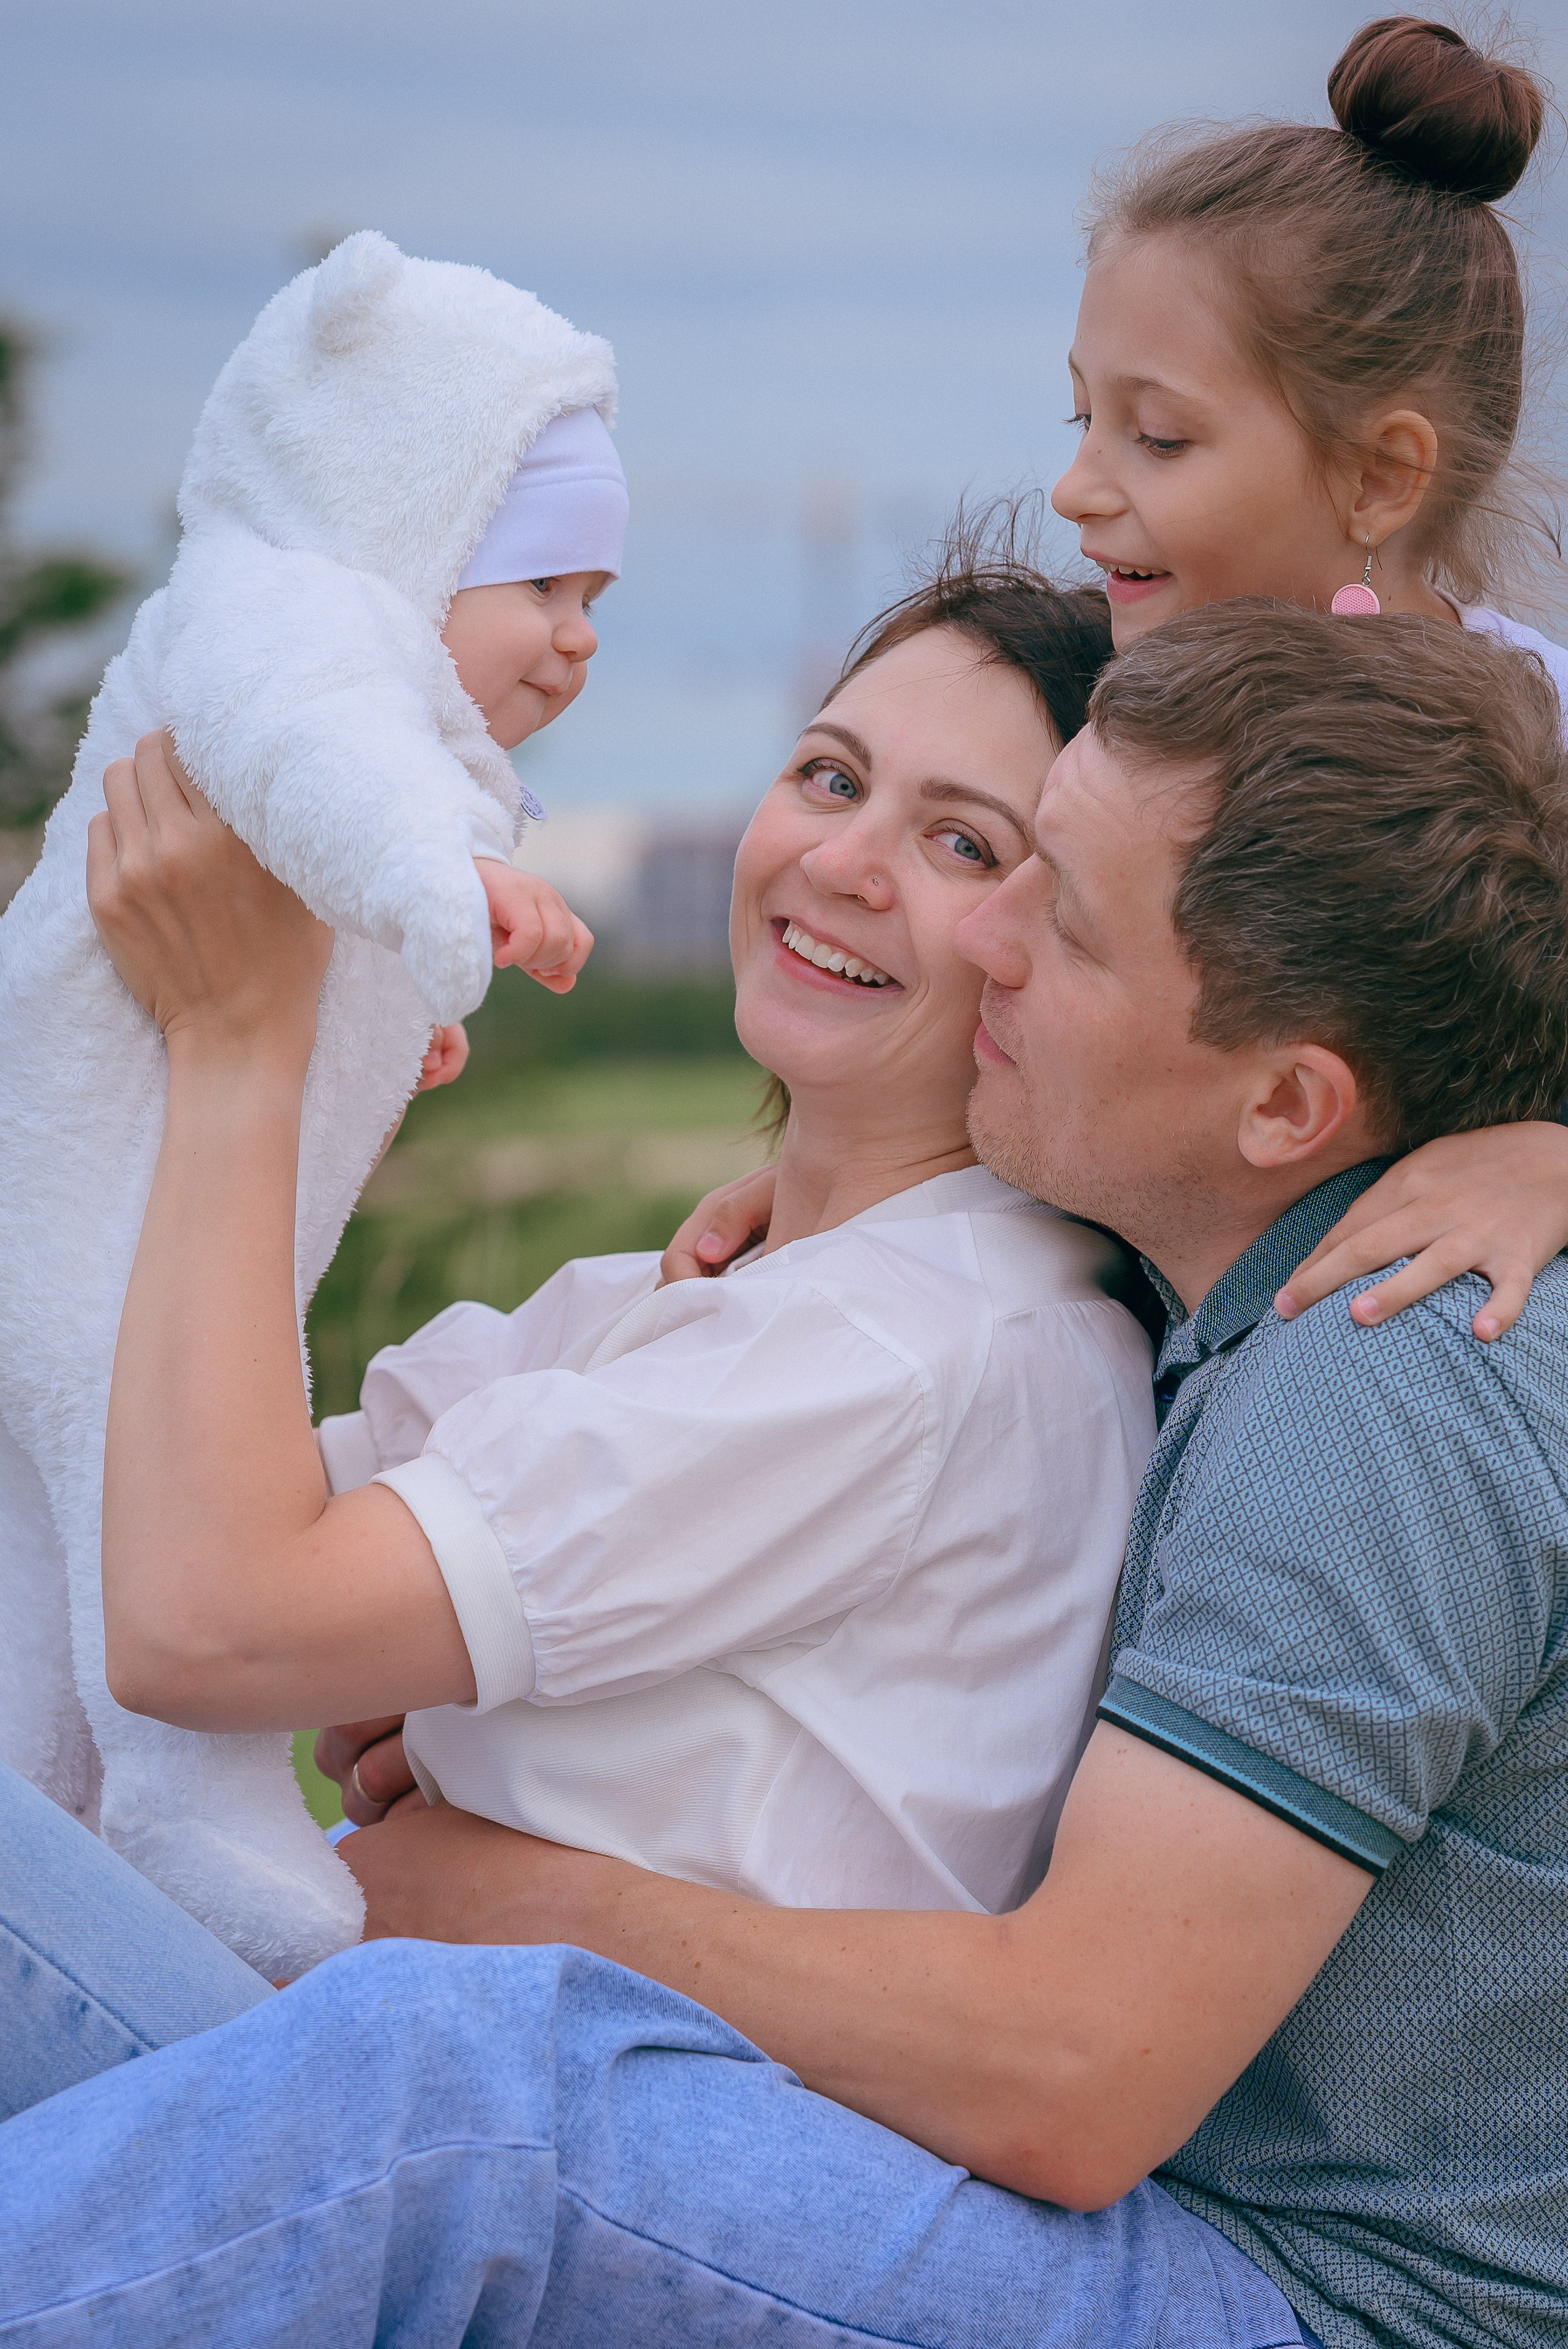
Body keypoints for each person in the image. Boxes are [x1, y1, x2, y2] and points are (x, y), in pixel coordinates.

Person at [5, 598, 1567, 2349]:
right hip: (1134, 2234)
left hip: (1308, 2308)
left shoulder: (1371, 1379)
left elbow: (1077, 2070)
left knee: (459, 2086)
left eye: (1049, 903)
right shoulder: (1213, 1300)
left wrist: (511, 1901)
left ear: (1288, 1108)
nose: (992, 933)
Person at [85, 554, 1156, 1925]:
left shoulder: (899, 1345)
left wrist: (241, 1043)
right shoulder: (717, 1296)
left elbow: (200, 1621)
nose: (839, 862)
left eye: (962, 844)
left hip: (546, 2109)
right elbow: (182, 1513)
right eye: (830, 776)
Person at [668, 13, 1568, 1351]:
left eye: (1155, 436)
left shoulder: (1534, 754)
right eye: (1079, 415)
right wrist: (846, 1179)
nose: (1076, 488)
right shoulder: (1122, 704)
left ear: (1380, 476)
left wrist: (1548, 1158)